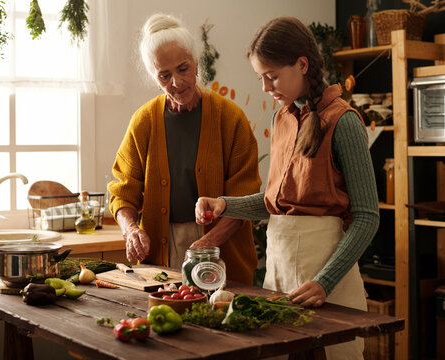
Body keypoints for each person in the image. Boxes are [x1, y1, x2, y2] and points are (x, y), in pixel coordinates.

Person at [195, 16, 379, 359]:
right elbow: (274, 203)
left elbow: (368, 217)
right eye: (260, 77)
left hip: (328, 279)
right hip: (278, 273)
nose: (265, 87)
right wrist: (224, 204)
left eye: (272, 75)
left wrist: (325, 280)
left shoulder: (344, 122)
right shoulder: (280, 119)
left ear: (302, 64)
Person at [108, 13, 261, 285]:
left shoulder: (231, 118)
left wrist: (208, 242)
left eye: (183, 69)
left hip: (221, 250)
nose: (176, 83)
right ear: (154, 77)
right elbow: (123, 191)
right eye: (164, 75)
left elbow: (244, 199)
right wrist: (131, 230)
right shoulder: (143, 121)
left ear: (196, 63)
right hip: (161, 254)